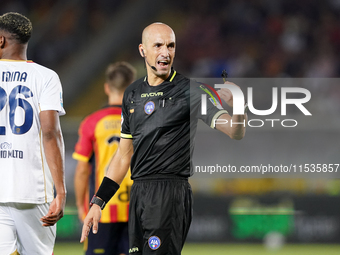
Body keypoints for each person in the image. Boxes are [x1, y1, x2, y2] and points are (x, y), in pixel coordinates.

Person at [80, 22, 247, 255]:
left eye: (170, 46)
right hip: (139, 194)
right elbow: (123, 155)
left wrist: (238, 105)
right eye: (158, 45)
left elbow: (235, 131)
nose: (165, 52)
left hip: (170, 193)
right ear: (143, 50)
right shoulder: (132, 94)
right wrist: (98, 202)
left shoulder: (192, 90)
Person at [0, 12, 66, 255]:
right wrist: (61, 190)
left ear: (1, 40)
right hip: (33, 191)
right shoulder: (46, 77)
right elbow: (50, 133)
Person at [73, 62, 136, 255]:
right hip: (136, 209)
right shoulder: (140, 120)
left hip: (102, 210)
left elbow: (83, 170)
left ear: (107, 87)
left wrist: (80, 205)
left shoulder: (92, 122)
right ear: (132, 88)